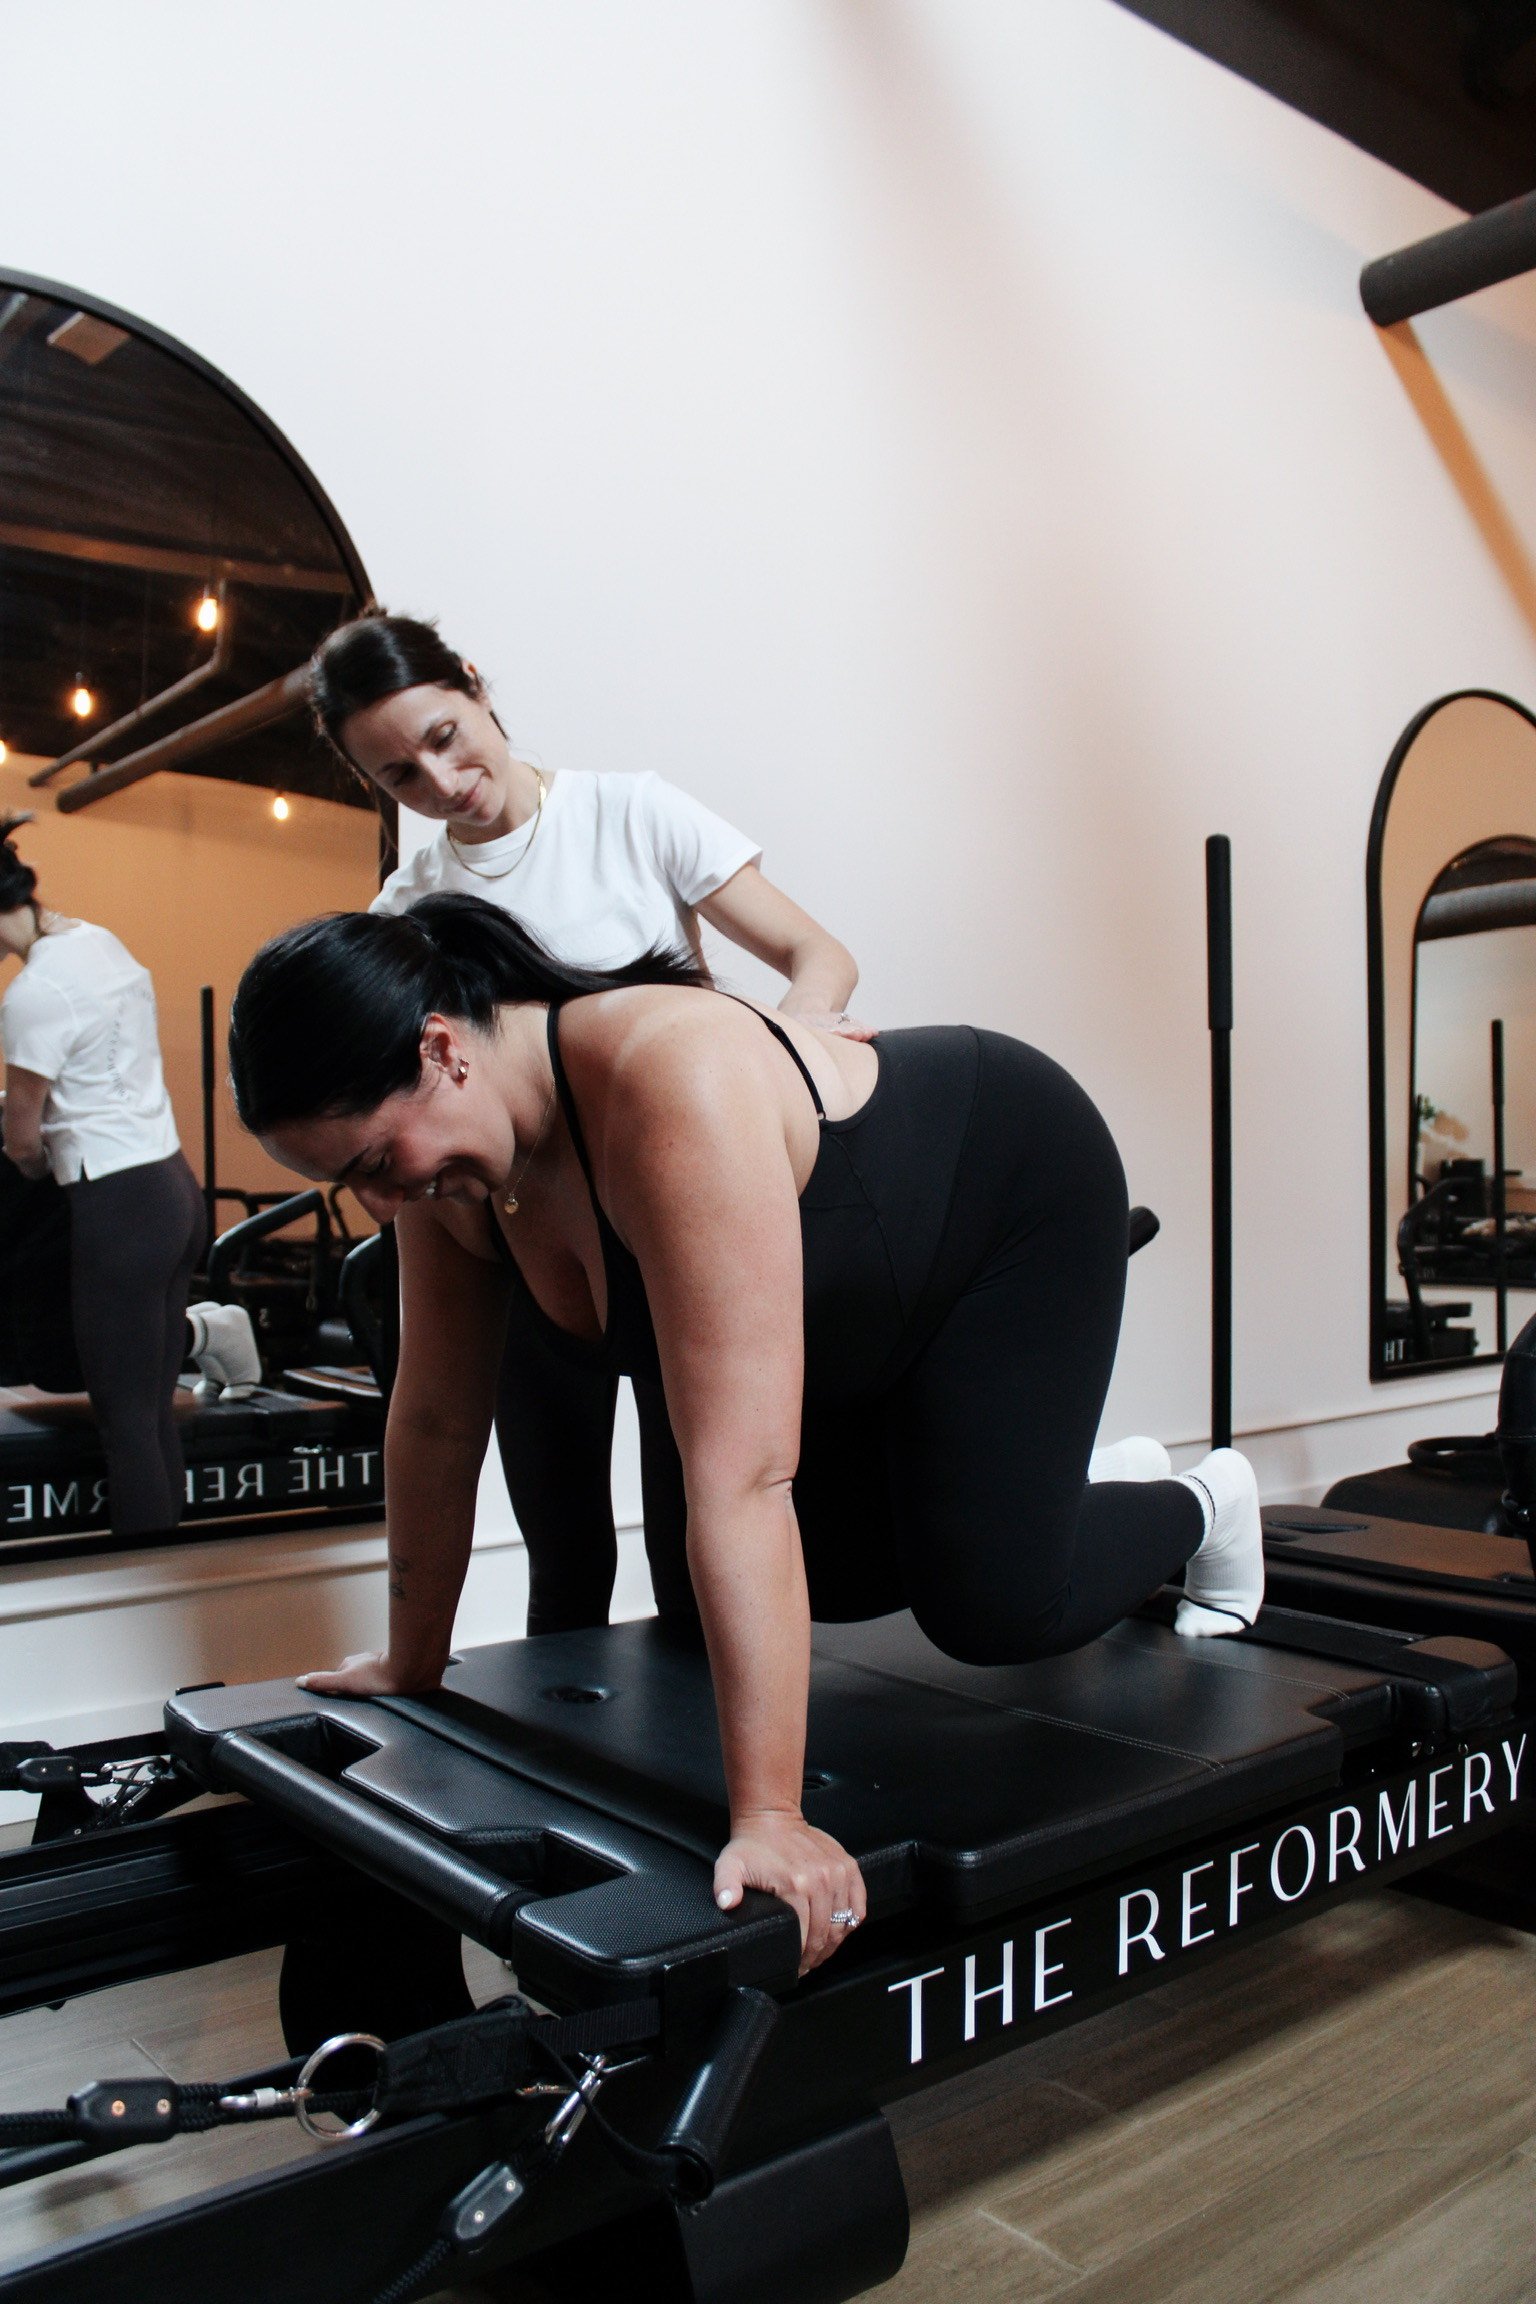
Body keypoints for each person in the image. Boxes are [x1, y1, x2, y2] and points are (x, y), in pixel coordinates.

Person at [227, 895, 1266, 1972]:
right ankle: (1059, 1485)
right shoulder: (449, 1182)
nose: (382, 1200)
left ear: (440, 1049)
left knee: (998, 1602)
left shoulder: (667, 1080)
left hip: (999, 1193)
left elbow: (746, 1480)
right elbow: (437, 1421)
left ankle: (1205, 1504)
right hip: (851, 1300)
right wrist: (411, 1659)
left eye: (372, 1162)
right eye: (350, 1184)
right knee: (771, 1593)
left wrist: (771, 1818)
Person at [310, 609, 870, 1635]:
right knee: (562, 1551)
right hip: (526, 1244)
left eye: (442, 738)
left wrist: (784, 1051)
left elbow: (818, 957)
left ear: (475, 685)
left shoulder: (632, 815)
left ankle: (707, 1762)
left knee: (691, 1532)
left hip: (667, 1227)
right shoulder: (410, 906)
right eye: (399, 777)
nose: (438, 785)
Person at [0, 814, 258, 1539]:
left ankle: (141, 1581)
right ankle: (169, 1564)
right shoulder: (95, 943)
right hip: (172, 1187)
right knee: (152, 1411)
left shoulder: (29, 997)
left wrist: (30, 1146)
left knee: (125, 1424)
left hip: (114, 1202)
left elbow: (22, 1140)